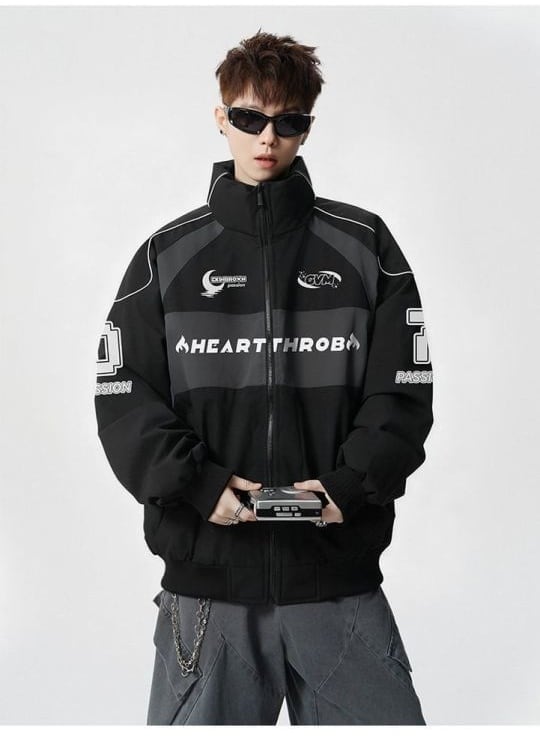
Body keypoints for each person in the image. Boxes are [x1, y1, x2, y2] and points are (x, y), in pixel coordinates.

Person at [94, 29, 434, 725]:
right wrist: (199, 484)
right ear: (221, 116)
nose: (267, 138)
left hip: (337, 582)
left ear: (308, 127)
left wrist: (348, 488)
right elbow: (123, 395)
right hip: (209, 592)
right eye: (250, 118)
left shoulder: (365, 247)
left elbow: (403, 391)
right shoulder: (167, 257)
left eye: (288, 121)